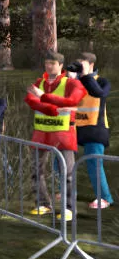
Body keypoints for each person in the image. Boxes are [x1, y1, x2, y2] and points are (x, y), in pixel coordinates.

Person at [24, 52, 85, 218]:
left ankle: (69, 208)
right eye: (46, 63)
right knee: (36, 170)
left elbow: (72, 101)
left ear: (61, 65)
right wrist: (53, 109)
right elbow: (31, 101)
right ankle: (43, 204)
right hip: (41, 132)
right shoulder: (39, 82)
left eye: (52, 63)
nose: (48, 66)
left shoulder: (71, 83)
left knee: (68, 172)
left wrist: (43, 97)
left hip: (63, 133)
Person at [73, 52, 111, 209]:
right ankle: (66, 192)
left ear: (91, 65)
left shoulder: (102, 81)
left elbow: (98, 93)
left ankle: (104, 198)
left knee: (94, 163)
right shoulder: (74, 82)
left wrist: (85, 76)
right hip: (74, 128)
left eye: (82, 64)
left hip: (95, 129)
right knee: (60, 160)